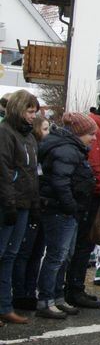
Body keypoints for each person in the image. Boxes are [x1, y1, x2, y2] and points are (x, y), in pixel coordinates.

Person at [63, 93, 100, 310]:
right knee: (82, 244)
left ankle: (74, 287)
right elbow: (96, 167)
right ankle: (74, 289)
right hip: (92, 196)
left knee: (83, 245)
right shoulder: (96, 132)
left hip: (94, 194)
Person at [34, 113, 97, 319]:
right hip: (60, 211)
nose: (93, 138)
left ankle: (57, 297)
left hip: (66, 210)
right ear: (79, 133)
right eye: (90, 134)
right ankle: (46, 300)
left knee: (64, 256)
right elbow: (61, 183)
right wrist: (72, 207)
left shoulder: (71, 148)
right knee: (56, 256)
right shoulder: (66, 150)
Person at [0, 90, 41, 325]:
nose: (32, 116)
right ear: (18, 109)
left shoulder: (28, 136)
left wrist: (34, 204)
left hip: (24, 203)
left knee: (10, 256)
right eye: (29, 111)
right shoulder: (5, 133)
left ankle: (4, 306)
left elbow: (31, 174)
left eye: (34, 111)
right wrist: (9, 204)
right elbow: (4, 171)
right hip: (9, 204)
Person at [10, 114, 50, 312]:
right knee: (24, 253)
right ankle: (20, 293)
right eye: (44, 129)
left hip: (41, 207)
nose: (48, 133)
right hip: (30, 206)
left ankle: (29, 290)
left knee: (36, 253)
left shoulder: (44, 152)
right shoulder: (29, 150)